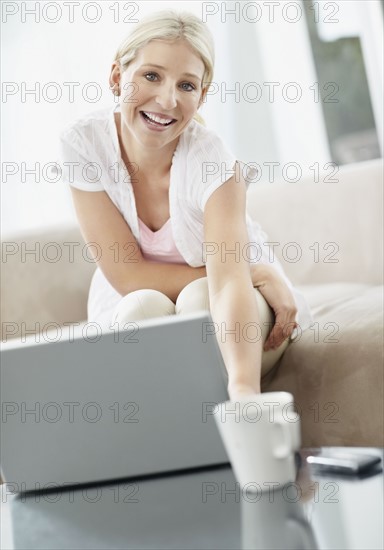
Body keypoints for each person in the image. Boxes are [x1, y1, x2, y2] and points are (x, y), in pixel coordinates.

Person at [60, 10, 312, 401]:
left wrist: (245, 394)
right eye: (151, 76)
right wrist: (253, 271)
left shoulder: (215, 163)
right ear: (116, 77)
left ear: (202, 96)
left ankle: (232, 426)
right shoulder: (83, 143)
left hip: (240, 306)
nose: (167, 100)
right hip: (141, 298)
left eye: (187, 85)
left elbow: (227, 285)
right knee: (139, 309)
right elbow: (127, 275)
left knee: (198, 302)